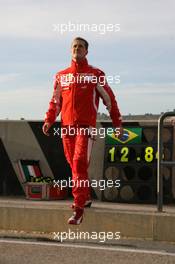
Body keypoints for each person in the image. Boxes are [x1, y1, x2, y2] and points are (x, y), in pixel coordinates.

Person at [42, 37, 123, 225]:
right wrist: (49, 119)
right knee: (74, 164)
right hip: (66, 129)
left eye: (81, 47)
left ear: (87, 51)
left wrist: (117, 124)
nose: (77, 49)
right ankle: (85, 197)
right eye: (74, 46)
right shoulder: (61, 76)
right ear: (71, 50)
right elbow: (55, 102)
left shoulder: (95, 74)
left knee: (78, 163)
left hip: (86, 129)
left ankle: (78, 209)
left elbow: (110, 101)